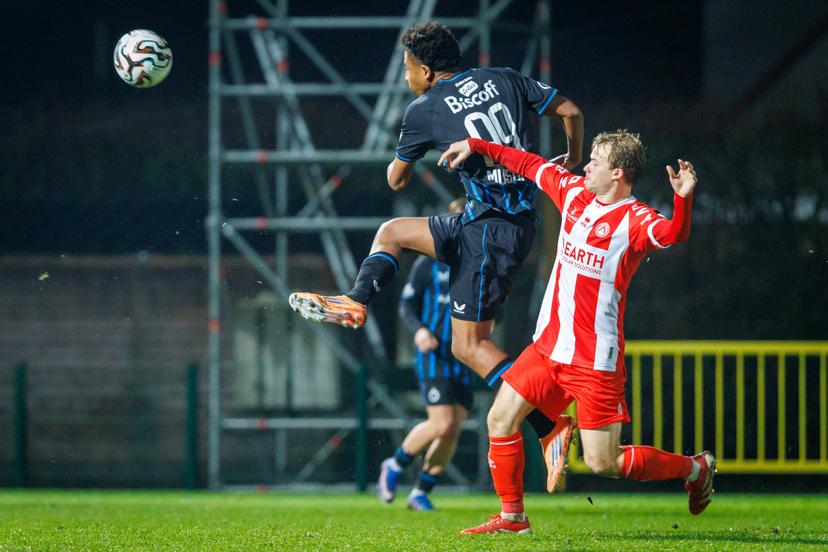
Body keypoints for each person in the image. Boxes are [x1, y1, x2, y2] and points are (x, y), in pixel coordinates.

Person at [289, 21, 581, 490]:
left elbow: (396, 180)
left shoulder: (424, 108)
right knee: (393, 233)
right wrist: (570, 160)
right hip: (483, 224)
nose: (407, 78)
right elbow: (570, 111)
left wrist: (407, 147)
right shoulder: (504, 77)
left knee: (469, 346)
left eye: (407, 69)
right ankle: (357, 300)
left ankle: (550, 425)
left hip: (491, 232)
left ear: (425, 70)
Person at [434, 130, 714, 535]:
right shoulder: (574, 193)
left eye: (595, 161)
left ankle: (695, 468)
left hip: (594, 359)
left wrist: (683, 199)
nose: (585, 166)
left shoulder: (635, 220)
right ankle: (513, 518)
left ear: (618, 172)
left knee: (604, 463)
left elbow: (674, 234)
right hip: (548, 347)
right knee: (500, 419)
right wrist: (477, 147)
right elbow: (529, 164)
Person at [377, 199, 473, 511]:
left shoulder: (477, 266)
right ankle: (394, 464)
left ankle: (420, 492)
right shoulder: (428, 264)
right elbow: (406, 304)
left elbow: (493, 307)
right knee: (442, 423)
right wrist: (419, 330)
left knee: (453, 427)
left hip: (465, 356)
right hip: (434, 355)